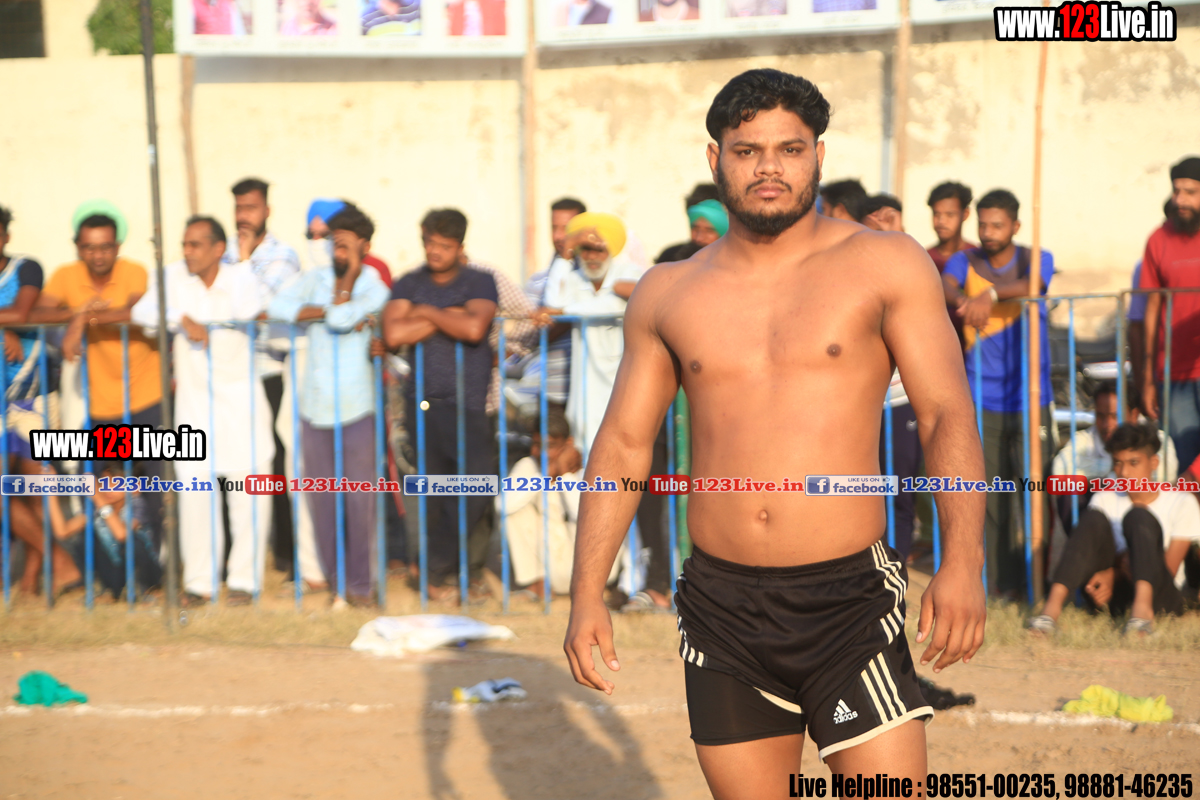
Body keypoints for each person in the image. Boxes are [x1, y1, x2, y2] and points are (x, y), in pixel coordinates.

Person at [564, 69, 985, 789]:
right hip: (720, 607)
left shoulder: (884, 263)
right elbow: (624, 446)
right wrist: (585, 595)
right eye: (746, 150)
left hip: (848, 601)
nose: (768, 168)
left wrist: (963, 561)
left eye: (789, 149)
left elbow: (945, 411)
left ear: (818, 155)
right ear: (715, 159)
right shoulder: (668, 291)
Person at [131, 216, 274, 607]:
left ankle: (245, 582)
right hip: (194, 409)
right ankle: (199, 584)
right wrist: (180, 318)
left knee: (249, 495)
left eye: (195, 245)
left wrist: (243, 262)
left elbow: (251, 307)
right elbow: (142, 312)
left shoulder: (241, 277)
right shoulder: (174, 278)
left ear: (218, 249)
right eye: (185, 244)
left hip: (241, 407)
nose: (187, 252)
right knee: (195, 497)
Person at [269, 205, 390, 607]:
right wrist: (326, 310)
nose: (337, 253)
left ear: (364, 247)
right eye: (334, 245)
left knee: (359, 500)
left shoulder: (375, 286)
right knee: (322, 500)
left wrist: (347, 285)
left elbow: (340, 319)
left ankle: (362, 586)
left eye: (345, 247)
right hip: (315, 406)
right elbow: (277, 308)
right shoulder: (315, 279)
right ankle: (337, 585)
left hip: (357, 407)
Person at [942, 188, 1054, 599]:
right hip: (980, 396)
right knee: (989, 496)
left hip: (1031, 396)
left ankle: (1041, 582)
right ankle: (998, 585)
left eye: (997, 225)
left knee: (1034, 491)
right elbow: (944, 285)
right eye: (983, 224)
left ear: (1016, 226)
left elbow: (1035, 283)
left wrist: (988, 295)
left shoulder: (1035, 257)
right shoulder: (965, 260)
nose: (988, 232)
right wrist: (964, 300)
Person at [34, 202, 166, 548]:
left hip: (146, 397)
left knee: (153, 489)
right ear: (78, 247)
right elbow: (39, 312)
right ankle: (110, 563)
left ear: (117, 247)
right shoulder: (66, 275)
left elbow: (135, 311)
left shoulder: (133, 271)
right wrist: (80, 314)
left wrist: (81, 320)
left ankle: (159, 564)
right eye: (89, 247)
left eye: (105, 246)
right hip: (102, 404)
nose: (98, 255)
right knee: (88, 482)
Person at [384, 208, 498, 602]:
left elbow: (474, 327)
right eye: (430, 243)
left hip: (469, 403)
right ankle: (435, 576)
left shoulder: (479, 280)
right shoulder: (409, 282)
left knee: (479, 487)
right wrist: (451, 315)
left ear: (459, 246)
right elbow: (394, 333)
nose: (435, 251)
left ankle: (435, 566)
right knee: (435, 494)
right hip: (423, 403)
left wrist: (427, 312)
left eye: (444, 245)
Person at [1028, 423, 1200, 636]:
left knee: (1138, 516)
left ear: (1154, 463)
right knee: (1092, 518)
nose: (1124, 473)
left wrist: (1114, 572)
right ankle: (1049, 613)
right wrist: (1112, 574)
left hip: (1160, 597)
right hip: (1113, 595)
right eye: (1118, 463)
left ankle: (1141, 615)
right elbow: (1092, 545)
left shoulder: (1181, 502)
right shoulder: (1105, 498)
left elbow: (1168, 568)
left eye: (1134, 463)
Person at [224, 178, 303, 576]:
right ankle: (229, 555)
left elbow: (259, 307)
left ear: (267, 211)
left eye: (251, 208)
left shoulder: (282, 256)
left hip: (268, 373)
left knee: (276, 463)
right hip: (228, 375)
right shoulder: (220, 251)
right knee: (228, 466)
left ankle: (286, 553)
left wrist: (240, 267)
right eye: (239, 208)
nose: (244, 216)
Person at [536, 212, 645, 454]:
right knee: (586, 449)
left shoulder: (627, 273)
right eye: (585, 249)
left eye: (599, 249)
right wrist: (566, 253)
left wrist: (564, 311)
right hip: (585, 384)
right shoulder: (576, 279)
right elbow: (552, 302)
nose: (592, 257)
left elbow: (613, 306)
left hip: (621, 377)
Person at [498, 408, 622, 598]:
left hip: (590, 567)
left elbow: (585, 518)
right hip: (550, 569)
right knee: (514, 510)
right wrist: (545, 476)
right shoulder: (530, 465)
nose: (541, 452)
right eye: (536, 444)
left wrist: (564, 475)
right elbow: (502, 506)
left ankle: (591, 589)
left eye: (549, 445)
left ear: (568, 443)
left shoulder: (590, 466)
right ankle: (537, 584)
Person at [1139, 156, 1200, 472]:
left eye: (1190, 192)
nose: (1180, 200)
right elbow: (1151, 309)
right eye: (1177, 191)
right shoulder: (1158, 240)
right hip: (1173, 376)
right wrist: (1148, 377)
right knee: (1186, 468)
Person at [0, 204, 46, 470]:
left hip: (31, 392)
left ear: (7, 237)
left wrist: (9, 327)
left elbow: (20, 313)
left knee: (35, 483)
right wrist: (4, 330)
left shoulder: (26, 268)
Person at [306, 199, 392, 285]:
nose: (316, 240)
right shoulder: (310, 272)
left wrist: (353, 269)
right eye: (310, 234)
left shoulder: (374, 271)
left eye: (325, 235)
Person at [656, 184, 726, 264]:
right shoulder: (672, 259)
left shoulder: (735, 263)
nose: (699, 238)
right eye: (695, 229)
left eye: (709, 231)